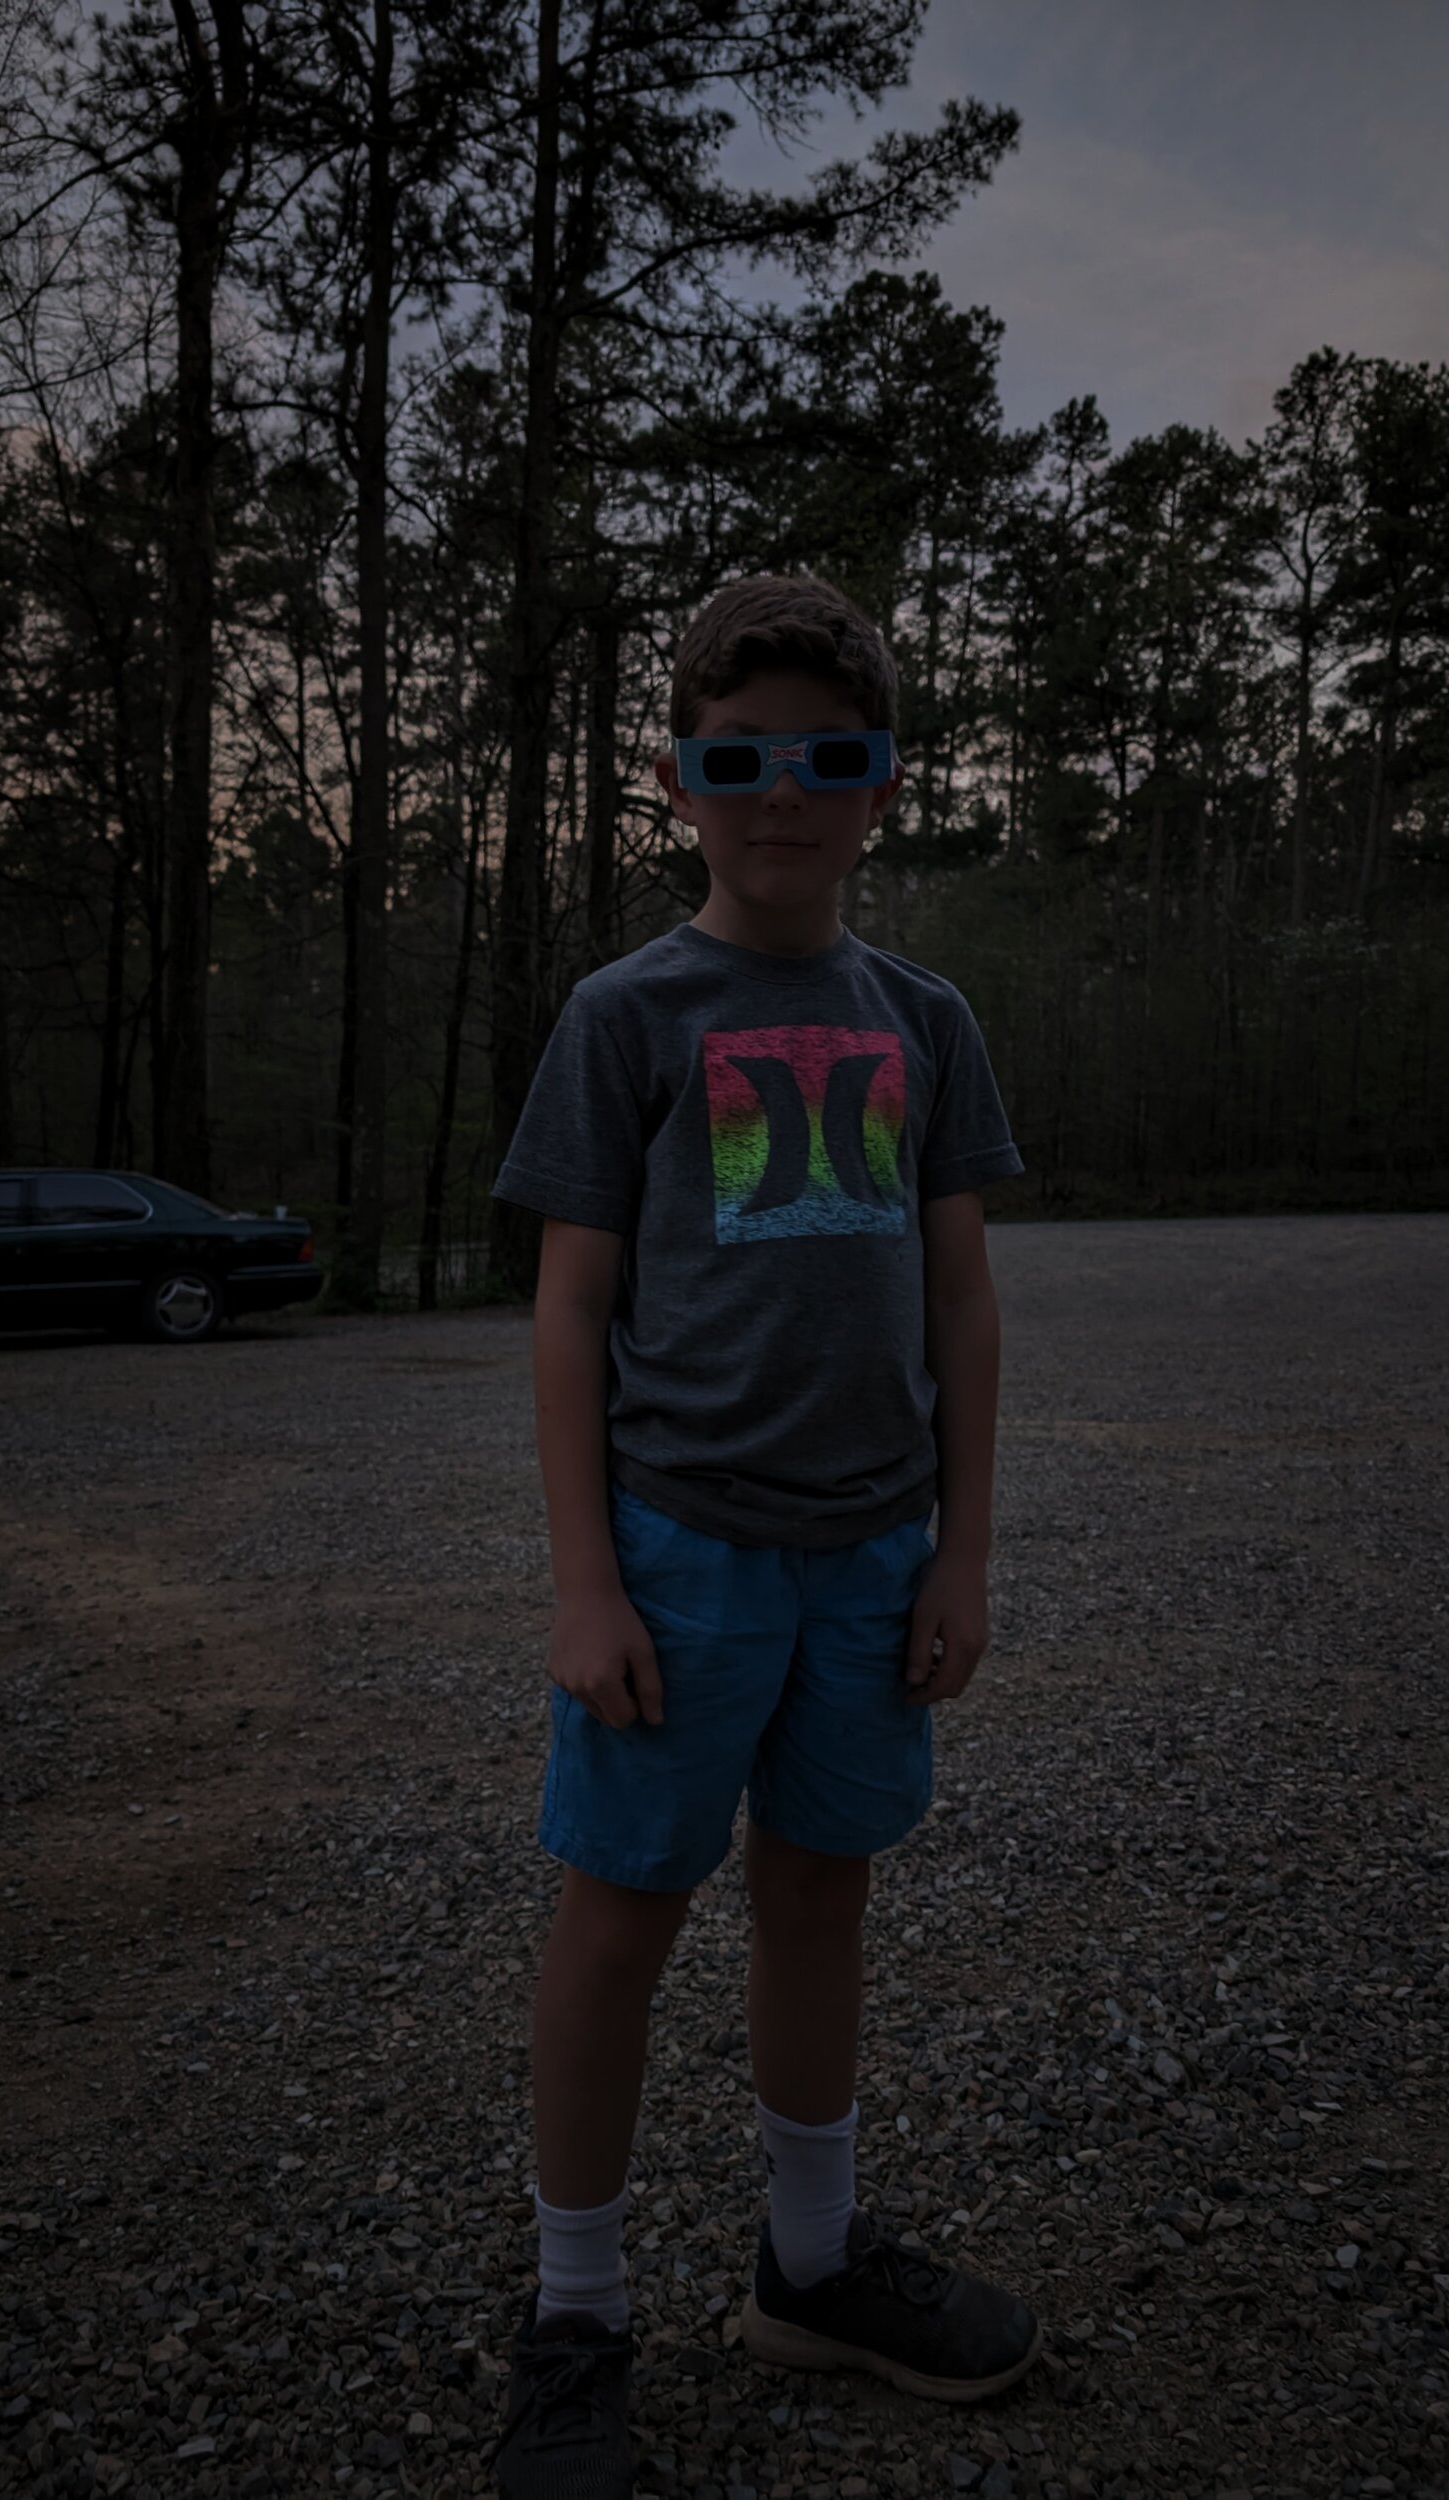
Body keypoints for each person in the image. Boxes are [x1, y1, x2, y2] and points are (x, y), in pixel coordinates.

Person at [488, 573, 1038, 2497]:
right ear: (676, 783)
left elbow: (961, 1300)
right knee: (620, 1920)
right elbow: (571, 1311)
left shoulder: (924, 1020)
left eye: (827, 758)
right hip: (681, 1557)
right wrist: (584, 1581)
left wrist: (963, 1552)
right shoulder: (626, 1015)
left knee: (821, 1897)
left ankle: (811, 2264)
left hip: (873, 1558)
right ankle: (575, 2315)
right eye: (737, 762)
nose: (781, 795)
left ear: (884, 783)